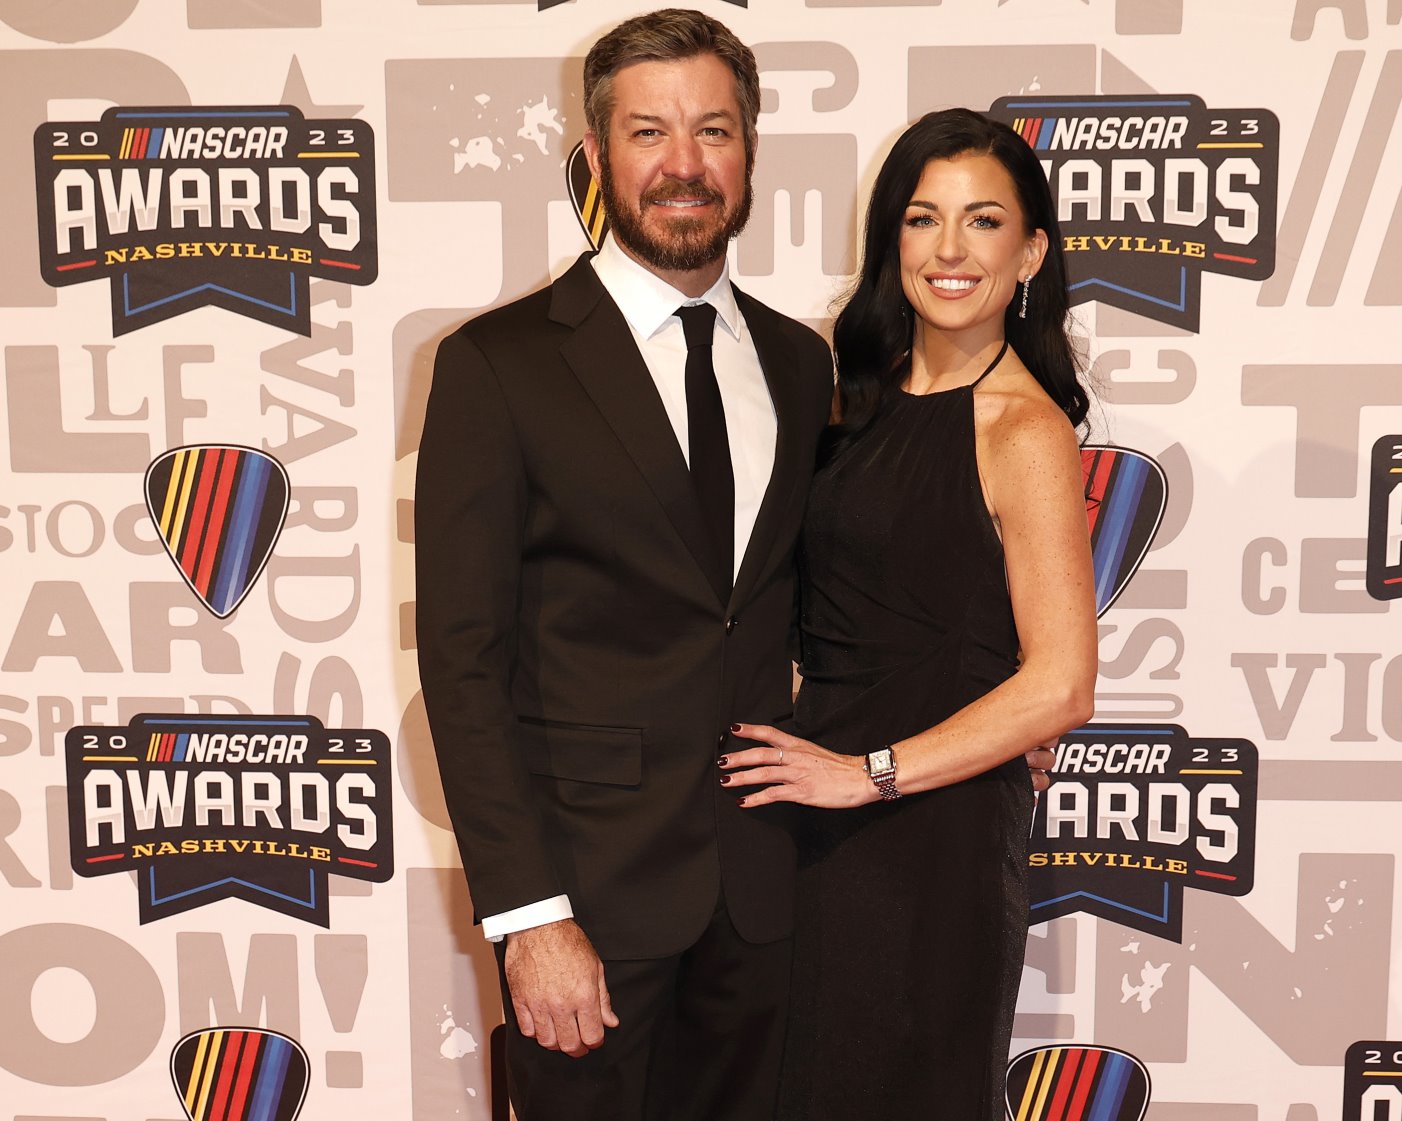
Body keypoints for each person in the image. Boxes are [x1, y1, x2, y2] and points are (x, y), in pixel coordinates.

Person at [414, 11, 833, 1119]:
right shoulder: (496, 366)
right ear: (597, 156)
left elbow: (816, 615)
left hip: (764, 900)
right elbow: (461, 664)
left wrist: (975, 739)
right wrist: (529, 914)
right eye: (650, 133)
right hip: (585, 908)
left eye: (715, 131)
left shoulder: (800, 363)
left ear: (750, 154)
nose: (685, 165)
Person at [720, 108, 1099, 1119]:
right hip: (801, 810)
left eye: (983, 222)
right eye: (923, 218)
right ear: (893, 238)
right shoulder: (844, 397)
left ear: (1031, 253)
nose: (949, 249)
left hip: (931, 832)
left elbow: (1061, 681)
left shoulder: (1026, 429)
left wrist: (868, 774)